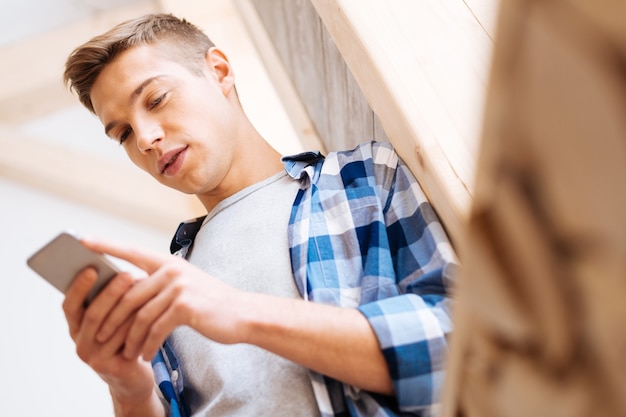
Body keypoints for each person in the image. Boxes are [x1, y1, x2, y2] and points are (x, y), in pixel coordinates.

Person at [62, 13, 457, 417]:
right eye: (123, 133)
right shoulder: (168, 291)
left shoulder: (363, 179)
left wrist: (243, 312)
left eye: (157, 99)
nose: (145, 138)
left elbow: (463, 349)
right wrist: (129, 393)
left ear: (218, 72)